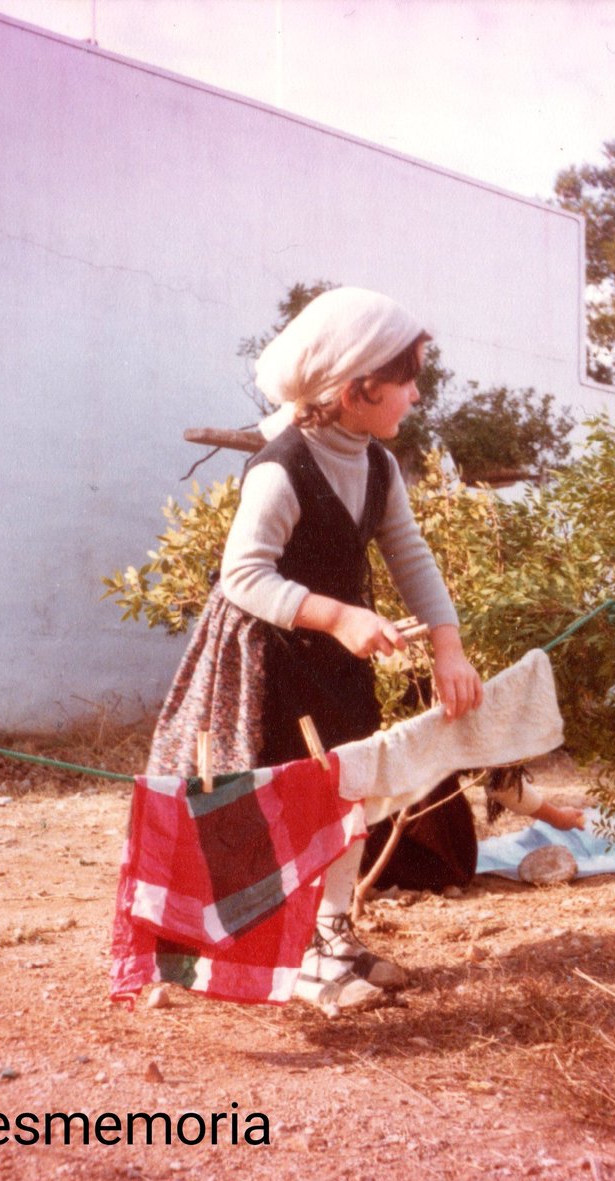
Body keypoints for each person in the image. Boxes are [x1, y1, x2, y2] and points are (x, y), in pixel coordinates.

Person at [146, 286, 485, 1010]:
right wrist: (336, 616)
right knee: (285, 801)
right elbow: (242, 576)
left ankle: (335, 934)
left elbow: (409, 554)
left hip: (335, 657)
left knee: (348, 787)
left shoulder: (377, 464)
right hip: (267, 658)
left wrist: (450, 647)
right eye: (408, 378)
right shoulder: (282, 466)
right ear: (359, 386)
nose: (417, 394)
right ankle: (290, 952)